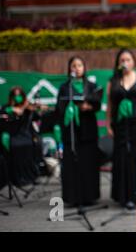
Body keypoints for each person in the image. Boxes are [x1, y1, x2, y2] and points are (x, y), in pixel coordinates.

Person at [106, 49, 136, 210]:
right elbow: (110, 105)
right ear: (118, 63)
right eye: (122, 60)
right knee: (121, 156)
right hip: (120, 124)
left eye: (128, 59)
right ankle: (122, 195)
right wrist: (108, 124)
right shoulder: (113, 81)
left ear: (133, 62)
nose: (125, 62)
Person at [56, 56, 102, 206]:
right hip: (71, 130)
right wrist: (70, 107)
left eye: (80, 65)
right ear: (70, 69)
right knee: (72, 162)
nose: (77, 68)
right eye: (73, 66)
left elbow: (97, 105)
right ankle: (73, 197)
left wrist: (88, 107)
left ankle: (89, 196)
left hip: (88, 128)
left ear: (84, 68)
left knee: (88, 161)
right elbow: (59, 108)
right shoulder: (65, 87)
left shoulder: (92, 85)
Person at [0, 86, 46, 187]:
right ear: (12, 97)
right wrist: (21, 107)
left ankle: (31, 176)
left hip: (26, 134)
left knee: (34, 144)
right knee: (17, 146)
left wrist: (38, 110)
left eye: (19, 95)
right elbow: (3, 119)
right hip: (12, 135)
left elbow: (36, 117)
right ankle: (16, 177)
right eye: (15, 95)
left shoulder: (28, 108)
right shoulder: (7, 108)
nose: (18, 98)